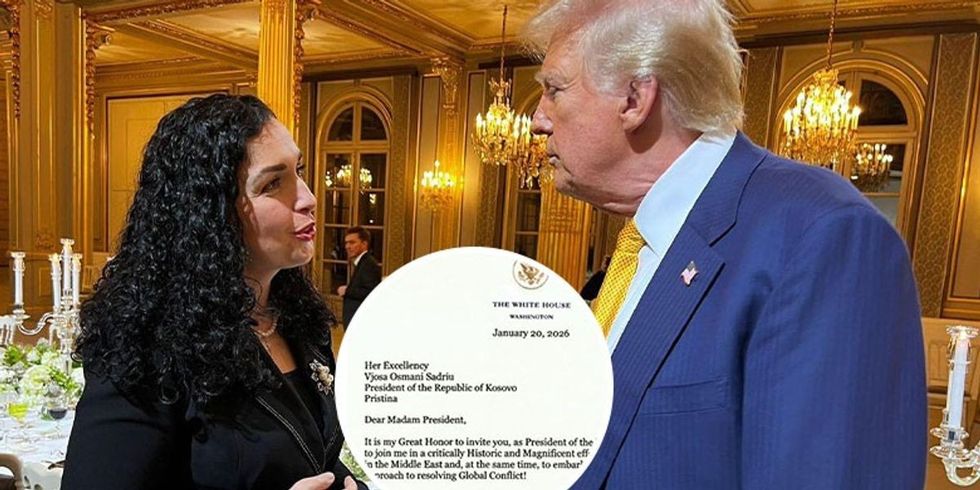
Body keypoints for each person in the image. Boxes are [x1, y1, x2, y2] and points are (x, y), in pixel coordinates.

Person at [525, 1, 926, 488]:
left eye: (554, 90)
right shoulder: (643, 243)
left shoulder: (823, 235)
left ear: (634, 99)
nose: (537, 119)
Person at [63, 94, 364, 490]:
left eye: (299, 170)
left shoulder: (299, 320)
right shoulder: (149, 348)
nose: (308, 198)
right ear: (210, 212)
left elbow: (313, 454)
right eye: (273, 183)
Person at [336, 227, 381, 329]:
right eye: (346, 243)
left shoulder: (369, 264)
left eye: (352, 243)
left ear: (364, 244)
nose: (347, 246)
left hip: (360, 322)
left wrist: (347, 291)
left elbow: (370, 292)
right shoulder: (362, 262)